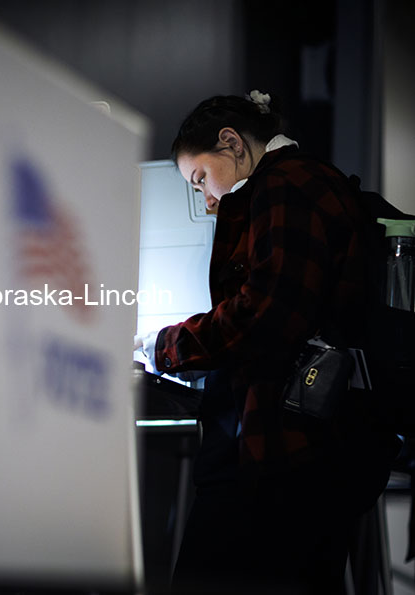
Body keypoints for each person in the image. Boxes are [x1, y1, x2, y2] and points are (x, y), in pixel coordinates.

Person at [136, 91, 400, 594]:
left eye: (200, 180)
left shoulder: (288, 184)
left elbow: (266, 312)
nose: (208, 199)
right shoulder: (302, 184)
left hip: (286, 454)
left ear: (232, 143)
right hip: (308, 449)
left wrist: (165, 345)